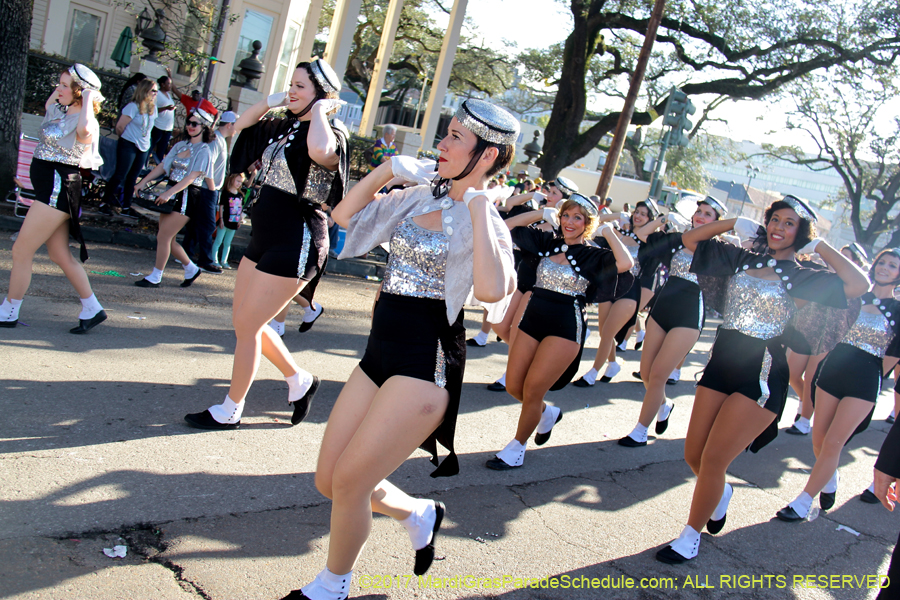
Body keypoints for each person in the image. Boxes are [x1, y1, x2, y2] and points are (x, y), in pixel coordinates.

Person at [282, 99, 517, 600]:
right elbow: (344, 216)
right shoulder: (417, 197)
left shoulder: (487, 219)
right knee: (331, 480)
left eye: (457, 138)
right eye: (447, 133)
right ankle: (418, 512)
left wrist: (477, 203)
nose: (443, 144)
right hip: (379, 352)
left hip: (425, 361)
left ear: (489, 155)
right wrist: (388, 168)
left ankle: (333, 585)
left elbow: (495, 291)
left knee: (349, 483)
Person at [655, 196, 869, 565]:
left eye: (790, 224)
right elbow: (691, 242)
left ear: (800, 233)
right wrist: (732, 221)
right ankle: (719, 496)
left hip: (763, 373)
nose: (778, 228)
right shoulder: (741, 258)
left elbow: (858, 284)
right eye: (775, 220)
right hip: (722, 362)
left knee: (713, 459)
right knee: (694, 455)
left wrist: (820, 246)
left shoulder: (805, 277)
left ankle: (689, 536)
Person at [182, 58, 349, 431]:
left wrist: (320, 110)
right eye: (290, 83)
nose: (292, 91)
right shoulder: (282, 126)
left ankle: (231, 408)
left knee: (248, 323)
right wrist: (275, 98)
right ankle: (299, 380)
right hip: (263, 237)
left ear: (321, 96)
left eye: (300, 87)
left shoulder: (331, 132)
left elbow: (321, 152)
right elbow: (238, 125)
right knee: (245, 323)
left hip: (298, 240)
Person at [487, 194, 634, 469]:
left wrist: (608, 231)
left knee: (532, 390)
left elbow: (626, 264)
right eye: (566, 215)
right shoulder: (547, 242)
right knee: (513, 385)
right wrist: (541, 213)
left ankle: (517, 446)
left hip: (566, 327)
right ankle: (547, 413)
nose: (569, 222)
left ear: (587, 223)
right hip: (532, 320)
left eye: (577, 217)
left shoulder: (593, 255)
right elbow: (503, 225)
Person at [777, 248, 899, 521]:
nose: (884, 267)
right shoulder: (854, 295)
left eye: (892, 265)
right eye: (882, 262)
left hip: (864, 380)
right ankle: (830, 478)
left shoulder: (899, 309)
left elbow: (892, 356)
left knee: (833, 443)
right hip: (832, 370)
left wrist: (870, 374)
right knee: (819, 441)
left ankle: (803, 501)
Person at [0, 65, 106, 332]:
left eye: (63, 85)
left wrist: (88, 100)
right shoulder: (58, 110)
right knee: (59, 254)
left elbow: (83, 132)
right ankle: (92, 307)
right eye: (58, 84)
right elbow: (52, 104)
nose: (58, 89)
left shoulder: (86, 121)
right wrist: (66, 92)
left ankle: (9, 309)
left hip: (56, 193)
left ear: (79, 93)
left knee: (21, 250)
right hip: (50, 192)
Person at [618, 196, 726, 447]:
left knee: (657, 376)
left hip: (688, 315)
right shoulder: (678, 239)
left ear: (717, 222)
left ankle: (641, 431)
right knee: (646, 373)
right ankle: (664, 405)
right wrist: (664, 219)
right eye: (699, 211)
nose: (700, 216)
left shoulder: (718, 250)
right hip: (662, 307)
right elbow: (642, 235)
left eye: (708, 214)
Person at [486, 176, 579, 391]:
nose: (548, 195)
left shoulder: (565, 227)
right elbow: (507, 220)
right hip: (522, 277)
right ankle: (529, 357)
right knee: (499, 324)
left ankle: (510, 373)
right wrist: (539, 209)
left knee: (518, 332)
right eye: (549, 190)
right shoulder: (537, 218)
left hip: (539, 286)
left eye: (554, 193)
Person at [573, 200, 662, 386]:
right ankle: (612, 363)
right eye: (636, 212)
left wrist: (664, 219)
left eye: (644, 214)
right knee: (606, 331)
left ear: (650, 219)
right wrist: (616, 216)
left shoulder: (648, 239)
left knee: (607, 333)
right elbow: (596, 221)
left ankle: (592, 373)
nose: (638, 216)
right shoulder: (620, 233)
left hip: (630, 289)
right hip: (609, 285)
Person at [131, 106, 216, 288]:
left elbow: (191, 177)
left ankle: (156, 276)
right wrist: (142, 182)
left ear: (204, 127)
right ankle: (191, 269)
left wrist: (168, 193)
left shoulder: (204, 150)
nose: (190, 126)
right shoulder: (180, 145)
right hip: (171, 192)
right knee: (167, 237)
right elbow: (163, 166)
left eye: (195, 123)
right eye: (188, 122)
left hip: (187, 196)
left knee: (164, 236)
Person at [100, 79, 158, 218]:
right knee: (120, 174)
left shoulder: (153, 109)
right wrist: (125, 139)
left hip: (143, 146)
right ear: (145, 91)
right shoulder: (133, 106)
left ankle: (126, 205)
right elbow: (120, 126)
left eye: (156, 91)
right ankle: (104, 202)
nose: (156, 93)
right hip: (129, 143)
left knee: (133, 177)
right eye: (153, 91)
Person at [210, 172, 245, 269]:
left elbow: (239, 208)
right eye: (237, 181)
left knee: (227, 243)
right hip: (225, 221)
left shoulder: (240, 195)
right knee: (218, 241)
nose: (239, 183)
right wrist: (220, 219)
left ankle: (224, 261)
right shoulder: (226, 193)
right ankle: (214, 260)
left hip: (234, 222)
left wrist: (239, 220)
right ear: (232, 180)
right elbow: (221, 207)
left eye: (240, 182)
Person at [150, 69, 178, 164]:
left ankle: (158, 169)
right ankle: (143, 165)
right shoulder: (157, 94)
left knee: (161, 150)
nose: (170, 86)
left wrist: (170, 74)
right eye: (168, 84)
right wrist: (165, 108)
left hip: (168, 128)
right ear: (162, 84)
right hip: (158, 126)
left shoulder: (168, 95)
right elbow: (153, 109)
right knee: (151, 146)